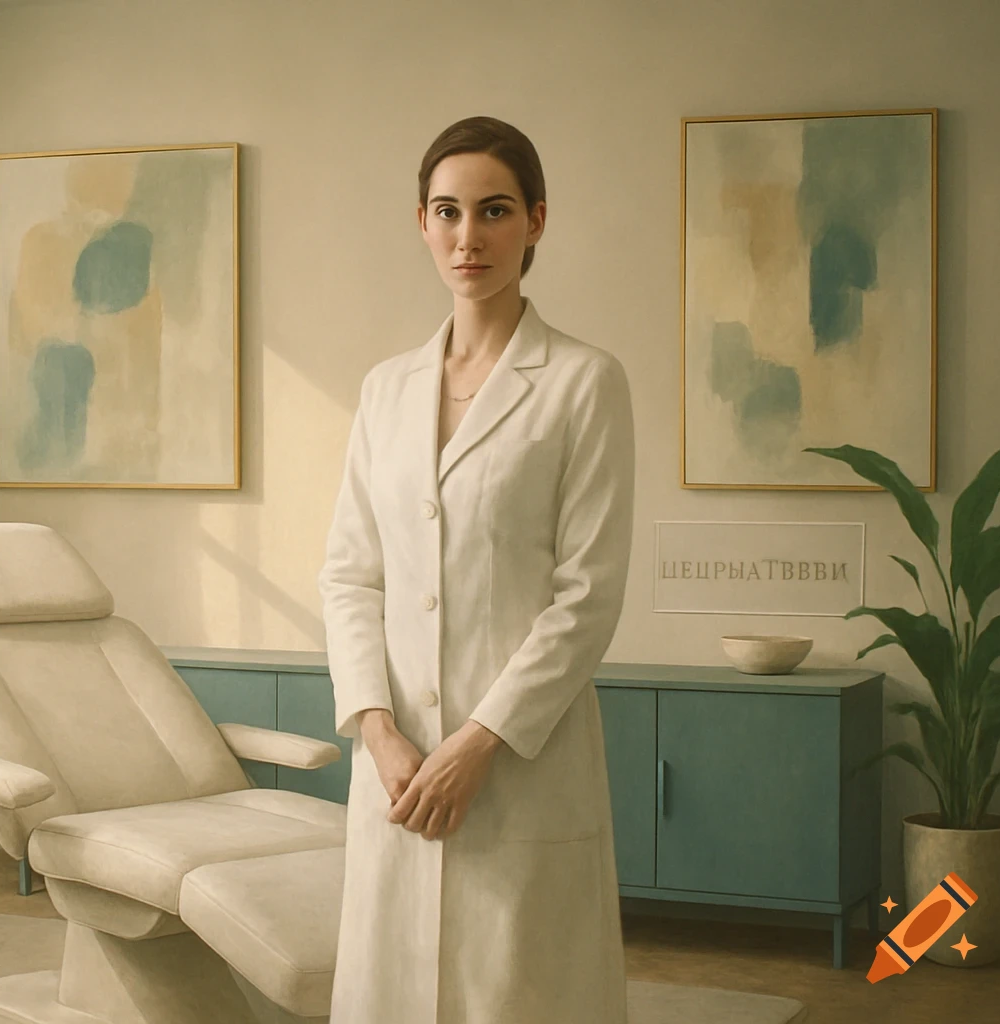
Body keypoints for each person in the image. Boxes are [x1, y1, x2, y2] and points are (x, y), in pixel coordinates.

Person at [318, 116, 636, 1023]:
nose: (469, 237)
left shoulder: (583, 382)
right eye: (448, 212)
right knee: (391, 992)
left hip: (519, 764)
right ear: (422, 222)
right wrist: (378, 730)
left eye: (494, 211)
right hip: (396, 766)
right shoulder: (385, 389)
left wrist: (477, 743)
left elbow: (587, 595)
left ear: (536, 220)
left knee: (519, 994)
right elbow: (350, 574)